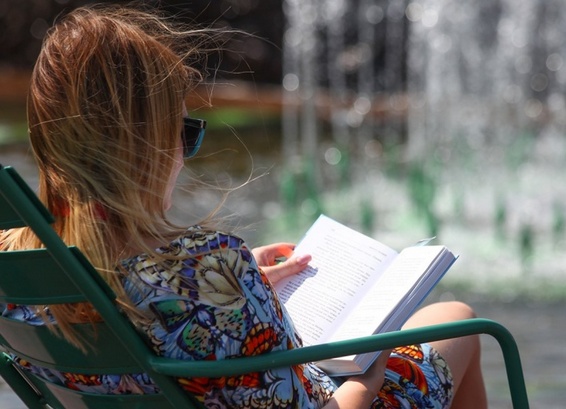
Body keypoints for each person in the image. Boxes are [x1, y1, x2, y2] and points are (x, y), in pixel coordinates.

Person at [0, 4, 487, 408]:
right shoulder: (209, 268)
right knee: (458, 320)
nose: (184, 156)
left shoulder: (17, 266)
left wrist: (235, 284)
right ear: (144, 147)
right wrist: (367, 378)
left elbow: (138, 296)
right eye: (184, 133)